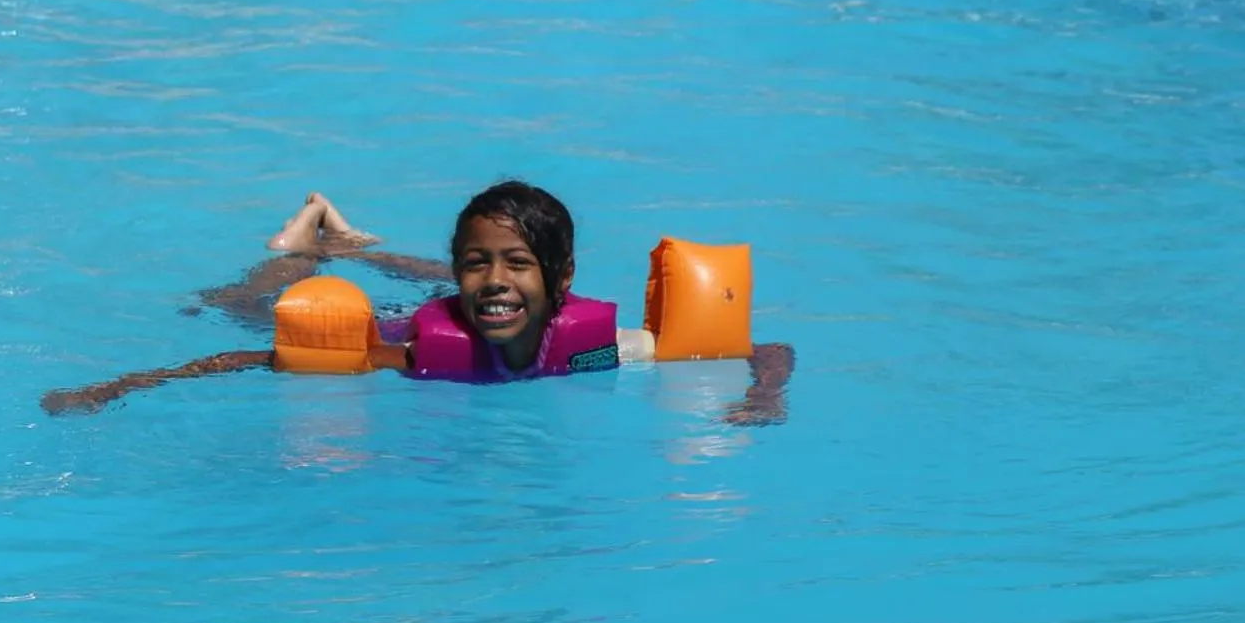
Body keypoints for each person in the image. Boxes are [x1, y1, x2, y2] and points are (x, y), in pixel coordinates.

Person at [40, 183, 795, 422]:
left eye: (518, 264)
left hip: (478, 307)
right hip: (406, 318)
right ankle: (305, 241)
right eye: (477, 264)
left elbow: (765, 348)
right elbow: (254, 357)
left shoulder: (601, 347)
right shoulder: (408, 352)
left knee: (444, 278)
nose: (493, 278)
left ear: (564, 280)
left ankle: (344, 239)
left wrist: (764, 394)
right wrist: (122, 386)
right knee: (246, 308)